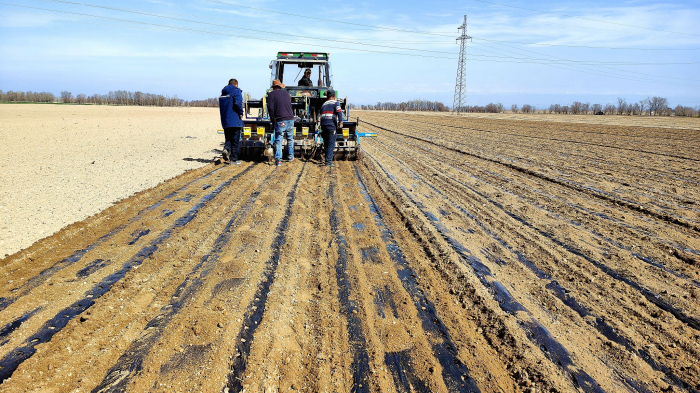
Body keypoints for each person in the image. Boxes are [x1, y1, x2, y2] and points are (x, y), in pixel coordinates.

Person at [267, 79, 295, 166]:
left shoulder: (271, 94)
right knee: (290, 138)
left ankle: (278, 160)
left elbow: (271, 108)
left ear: (273, 87)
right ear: (280, 86)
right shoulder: (286, 94)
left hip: (280, 120)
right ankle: (290, 156)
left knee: (279, 140)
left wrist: (272, 120)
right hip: (290, 119)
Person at [219, 78, 244, 165]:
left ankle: (226, 149)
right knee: (235, 140)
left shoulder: (223, 93)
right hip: (235, 120)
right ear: (236, 84)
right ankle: (233, 159)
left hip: (225, 121)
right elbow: (238, 103)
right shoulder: (236, 91)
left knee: (228, 138)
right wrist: (241, 113)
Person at [319, 89, 342, 167]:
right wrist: (340, 122)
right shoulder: (336, 103)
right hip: (331, 126)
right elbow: (339, 112)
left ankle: (326, 159)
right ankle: (328, 162)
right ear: (333, 96)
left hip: (323, 126)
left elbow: (321, 116)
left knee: (326, 143)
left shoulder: (323, 104)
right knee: (331, 144)